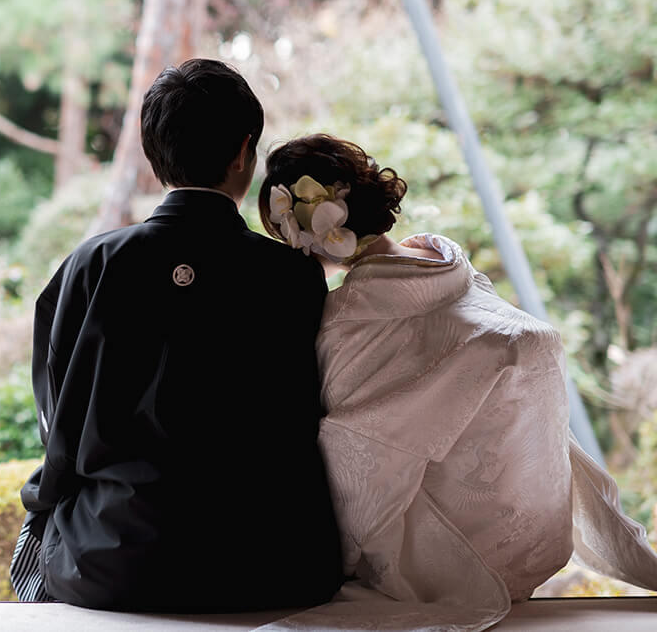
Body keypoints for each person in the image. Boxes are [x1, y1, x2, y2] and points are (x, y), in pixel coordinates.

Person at [255, 133, 657, 632]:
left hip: (431, 569)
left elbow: (353, 454)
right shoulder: (455, 271)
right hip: (532, 548)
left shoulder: (343, 322)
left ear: (305, 238)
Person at [10, 60, 345, 612]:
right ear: (243, 152)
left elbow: (58, 423)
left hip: (112, 560)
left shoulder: (91, 265)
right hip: (271, 564)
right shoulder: (292, 275)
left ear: (152, 154)